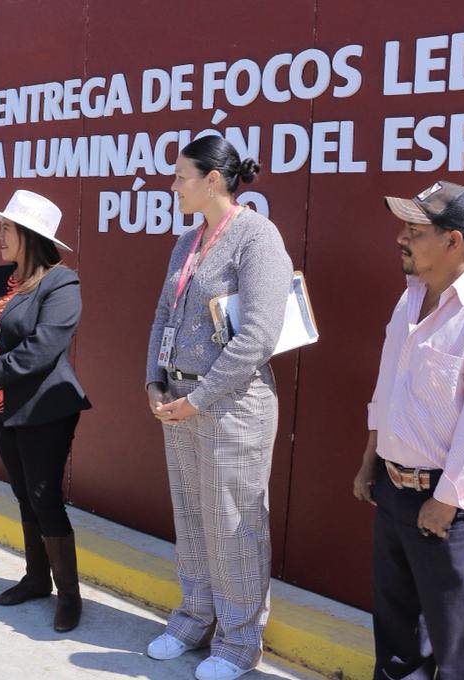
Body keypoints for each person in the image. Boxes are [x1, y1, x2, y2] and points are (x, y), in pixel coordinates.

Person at [352, 181, 464, 679]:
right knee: (397, 637)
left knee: (461, 650)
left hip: (449, 509)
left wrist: (447, 500)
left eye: (415, 229)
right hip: (393, 491)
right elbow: (388, 387)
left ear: (454, 241)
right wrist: (372, 460)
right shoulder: (410, 299)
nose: (400, 238)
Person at [144, 137, 292, 680]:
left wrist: (198, 399)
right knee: (191, 516)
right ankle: (192, 619)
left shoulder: (258, 238)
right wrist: (155, 382)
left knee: (233, 523)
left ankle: (237, 642)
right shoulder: (188, 242)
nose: (173, 185)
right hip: (180, 400)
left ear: (213, 180)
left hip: (234, 405)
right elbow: (164, 312)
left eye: (181, 176)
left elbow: (257, 335)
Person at [0, 189, 91, 632]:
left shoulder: (62, 283)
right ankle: (36, 580)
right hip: (1, 406)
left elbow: (44, 347)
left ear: (29, 236)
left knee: (43, 497)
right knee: (22, 493)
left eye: (6, 228)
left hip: (45, 408)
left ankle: (69, 596)